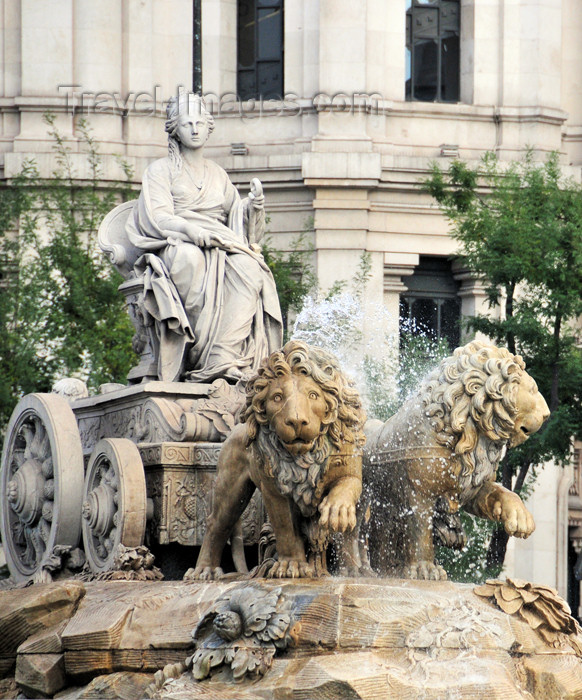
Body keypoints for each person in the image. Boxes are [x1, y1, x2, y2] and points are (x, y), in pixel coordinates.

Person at [126, 94, 283, 382]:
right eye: (187, 123)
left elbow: (235, 219)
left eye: (200, 123)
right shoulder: (160, 171)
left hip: (219, 243)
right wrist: (191, 231)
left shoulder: (218, 174)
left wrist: (251, 208)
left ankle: (220, 356)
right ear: (175, 128)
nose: (195, 129)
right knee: (190, 259)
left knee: (250, 269)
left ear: (208, 128)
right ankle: (195, 353)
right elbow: (158, 217)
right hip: (175, 244)